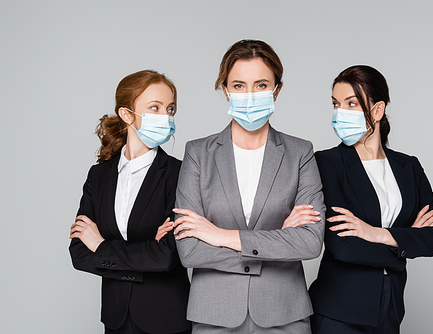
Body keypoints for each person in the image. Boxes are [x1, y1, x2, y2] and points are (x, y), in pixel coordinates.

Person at [172, 39, 325, 333]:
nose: (249, 94)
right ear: (226, 90)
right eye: (239, 86)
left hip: (284, 314)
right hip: (214, 315)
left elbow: (309, 242)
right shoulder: (198, 153)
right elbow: (189, 250)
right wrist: (279, 238)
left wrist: (220, 235)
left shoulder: (300, 153)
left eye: (261, 85)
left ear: (276, 90)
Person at [309, 65, 433, 333]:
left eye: (351, 103)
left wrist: (378, 234)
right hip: (338, 313)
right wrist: (404, 244)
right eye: (336, 104)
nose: (340, 113)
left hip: (390, 313)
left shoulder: (408, 166)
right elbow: (343, 247)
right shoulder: (327, 163)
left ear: (377, 110)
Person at [69, 70, 191, 334]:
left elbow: (168, 255)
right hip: (116, 318)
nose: (166, 117)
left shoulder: (180, 174)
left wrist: (101, 246)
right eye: (154, 108)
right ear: (127, 115)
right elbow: (78, 253)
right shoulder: (99, 176)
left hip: (167, 319)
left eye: (170, 109)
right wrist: (145, 252)